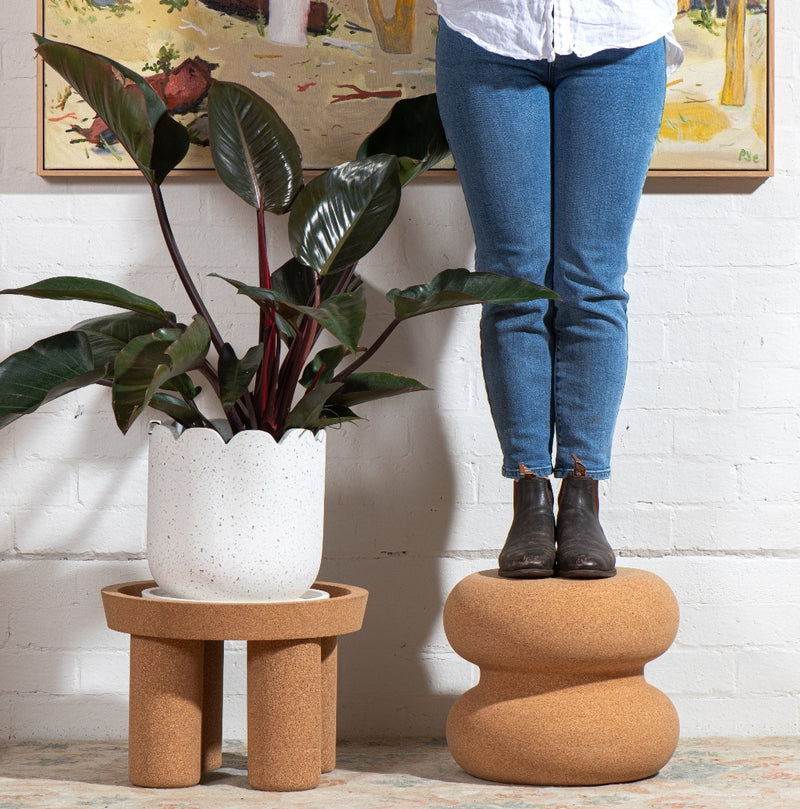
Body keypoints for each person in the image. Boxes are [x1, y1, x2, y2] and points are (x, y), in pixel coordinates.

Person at [434, 1, 683, 579]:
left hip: (619, 32)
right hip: (487, 31)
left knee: (592, 282)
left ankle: (582, 495)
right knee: (513, 280)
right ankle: (529, 496)